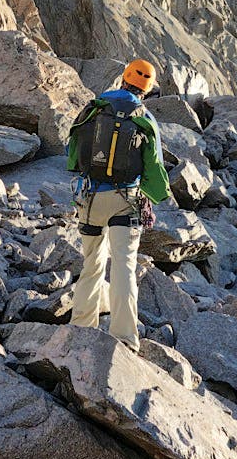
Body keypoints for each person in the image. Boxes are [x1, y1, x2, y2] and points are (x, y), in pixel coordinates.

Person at [66, 58, 170, 351]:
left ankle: (81, 327)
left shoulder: (94, 108)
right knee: (124, 267)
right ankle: (124, 338)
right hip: (125, 200)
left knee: (92, 265)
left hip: (90, 198)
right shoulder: (144, 118)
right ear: (146, 91)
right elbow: (155, 171)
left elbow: (71, 150)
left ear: (122, 79)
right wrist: (154, 196)